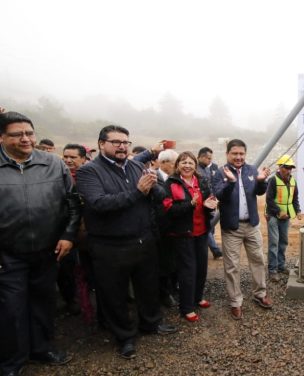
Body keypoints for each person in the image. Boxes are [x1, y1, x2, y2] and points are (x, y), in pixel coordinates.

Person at [76, 125, 177, 360]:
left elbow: (157, 195)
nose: (122, 146)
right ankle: (124, 337)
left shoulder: (135, 165)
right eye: (116, 142)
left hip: (143, 240)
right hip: (110, 246)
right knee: (115, 294)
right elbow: (99, 204)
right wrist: (138, 191)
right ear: (102, 144)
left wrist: (156, 189)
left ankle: (151, 323)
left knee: (147, 286)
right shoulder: (89, 171)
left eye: (126, 142)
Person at [0, 112, 80, 375]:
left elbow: (72, 203)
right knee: (11, 309)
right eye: (17, 134)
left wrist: (68, 235)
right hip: (8, 255)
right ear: (2, 137)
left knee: (43, 302)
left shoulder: (53, 164)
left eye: (29, 133)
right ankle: (12, 361)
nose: (26, 139)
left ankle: (42, 349)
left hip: (48, 251)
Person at [212, 139, 272, 320]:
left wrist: (262, 181)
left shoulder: (251, 170)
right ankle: (235, 302)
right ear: (227, 154)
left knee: (259, 260)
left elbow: (259, 192)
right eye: (235, 154)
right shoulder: (219, 173)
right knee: (232, 267)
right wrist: (230, 182)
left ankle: (260, 294)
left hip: (252, 225)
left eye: (241, 154)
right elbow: (219, 195)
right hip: (232, 228)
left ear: (245, 154)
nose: (238, 157)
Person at [163, 152, 217, 322]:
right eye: (183, 162)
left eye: (190, 163)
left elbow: (208, 201)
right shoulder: (171, 184)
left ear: (195, 166)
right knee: (188, 270)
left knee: (201, 267)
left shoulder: (201, 181)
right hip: (182, 234)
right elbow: (168, 209)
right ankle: (186, 307)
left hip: (201, 232)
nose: (187, 166)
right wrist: (190, 205)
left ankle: (197, 297)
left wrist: (210, 206)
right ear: (177, 165)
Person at [57, 144, 89, 315]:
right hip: (65, 233)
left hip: (87, 234)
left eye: (73, 157)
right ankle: (71, 300)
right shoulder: (57, 177)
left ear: (83, 159)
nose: (68, 161)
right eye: (65, 157)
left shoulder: (89, 178)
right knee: (66, 270)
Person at [265, 155, 301, 282]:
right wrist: (279, 211)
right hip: (274, 215)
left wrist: (297, 210)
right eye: (286, 167)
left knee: (283, 241)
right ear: (280, 167)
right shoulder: (273, 180)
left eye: (291, 168)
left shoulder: (293, 181)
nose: (289, 170)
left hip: (285, 217)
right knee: (274, 242)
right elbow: (269, 199)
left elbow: (294, 198)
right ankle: (272, 270)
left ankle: (281, 266)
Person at [155, 149, 179, 308]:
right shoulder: (152, 179)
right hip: (159, 230)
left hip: (176, 229)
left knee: (175, 261)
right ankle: (164, 293)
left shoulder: (177, 179)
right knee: (162, 264)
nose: (178, 167)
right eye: (175, 163)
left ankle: (173, 287)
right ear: (163, 163)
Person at [198, 147, 222, 259]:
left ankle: (206, 249)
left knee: (210, 228)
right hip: (201, 205)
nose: (210, 161)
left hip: (211, 203)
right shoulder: (195, 170)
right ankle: (216, 251)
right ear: (201, 157)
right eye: (208, 158)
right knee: (207, 227)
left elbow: (211, 185)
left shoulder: (207, 169)